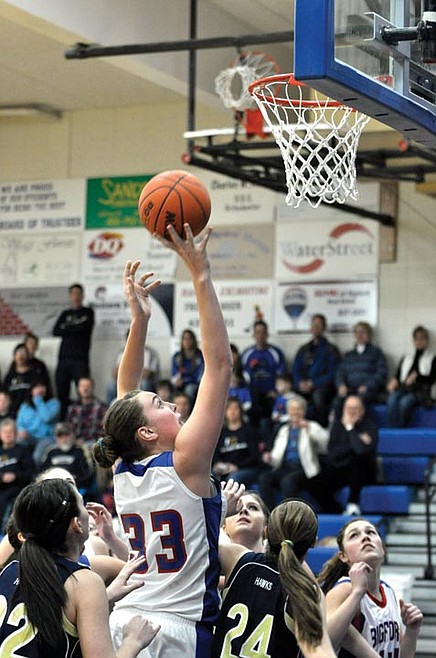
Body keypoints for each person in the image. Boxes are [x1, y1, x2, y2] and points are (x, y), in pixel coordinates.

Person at [93, 223, 232, 658]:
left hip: (122, 618)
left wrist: (140, 321)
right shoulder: (185, 463)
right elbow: (219, 366)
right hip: (174, 630)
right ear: (148, 432)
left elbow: (126, 394)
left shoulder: (122, 466)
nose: (171, 403)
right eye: (160, 403)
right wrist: (200, 274)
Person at [0, 477, 160, 657]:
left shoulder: (9, 570)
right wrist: (133, 641)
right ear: (76, 524)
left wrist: (103, 597)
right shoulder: (84, 582)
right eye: (83, 504)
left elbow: (50, 611)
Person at [213, 498, 337, 658]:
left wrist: (220, 509)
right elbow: (318, 651)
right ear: (314, 543)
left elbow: (200, 536)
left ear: (266, 533)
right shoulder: (307, 592)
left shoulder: (238, 559)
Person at [318, 517, 423, 658]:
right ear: (343, 556)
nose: (365, 537)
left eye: (371, 532)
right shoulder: (344, 590)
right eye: (354, 535)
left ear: (383, 548)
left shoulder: (388, 591)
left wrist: (412, 631)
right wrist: (357, 593)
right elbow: (323, 644)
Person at [258, 395, 330, 511]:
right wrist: (270, 458)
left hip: (304, 469)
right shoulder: (284, 429)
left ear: (304, 411)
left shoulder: (312, 426)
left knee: (288, 481)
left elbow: (325, 444)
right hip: (285, 467)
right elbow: (276, 456)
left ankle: (291, 515)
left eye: (298, 409)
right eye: (292, 409)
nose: (295, 412)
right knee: (264, 478)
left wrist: (309, 428)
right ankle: (268, 514)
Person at [325, 395, 379, 516]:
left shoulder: (370, 427)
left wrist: (350, 429)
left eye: (355, 408)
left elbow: (360, 451)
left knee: (356, 461)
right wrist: (355, 441)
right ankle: (335, 510)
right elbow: (332, 454)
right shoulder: (337, 426)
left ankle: (353, 504)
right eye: (349, 408)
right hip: (340, 469)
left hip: (364, 472)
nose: (351, 412)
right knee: (317, 475)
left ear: (362, 411)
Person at [52, 282, 95, 419]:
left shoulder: (88, 312)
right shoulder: (65, 314)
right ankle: (64, 422)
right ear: (70, 296)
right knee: (62, 393)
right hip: (63, 359)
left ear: (82, 295)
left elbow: (84, 328)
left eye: (78, 293)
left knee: (83, 393)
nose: (76, 296)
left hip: (80, 359)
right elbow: (56, 331)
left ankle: (85, 421)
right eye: (73, 293)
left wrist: (67, 327)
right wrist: (76, 326)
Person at [292, 314, 340, 427]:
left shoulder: (331, 350)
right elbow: (296, 369)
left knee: (318, 397)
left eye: (318, 325)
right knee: (289, 396)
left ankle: (322, 428)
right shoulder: (303, 349)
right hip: (303, 386)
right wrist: (300, 382)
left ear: (324, 328)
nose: (315, 328)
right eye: (313, 325)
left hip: (323, 387)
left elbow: (333, 373)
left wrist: (313, 383)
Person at [333, 322, 387, 420]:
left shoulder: (376, 353)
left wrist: (368, 386)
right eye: (357, 332)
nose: (360, 335)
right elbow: (340, 373)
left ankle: (356, 427)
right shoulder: (348, 355)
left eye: (363, 332)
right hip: (349, 390)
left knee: (358, 401)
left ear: (369, 335)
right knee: (337, 402)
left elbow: (381, 374)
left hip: (368, 390)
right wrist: (341, 385)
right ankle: (341, 427)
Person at [241, 319, 287, 434]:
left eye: (263, 332)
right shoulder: (247, 354)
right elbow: (242, 376)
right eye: (257, 332)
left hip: (271, 394)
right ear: (253, 335)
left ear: (267, 334)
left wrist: (276, 391)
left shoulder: (276, 353)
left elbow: (282, 376)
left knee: (268, 419)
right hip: (253, 396)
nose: (260, 335)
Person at [386, 325, 436, 428]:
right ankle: (391, 430)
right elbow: (398, 375)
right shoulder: (407, 357)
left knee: (405, 402)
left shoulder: (432, 357)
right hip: (404, 387)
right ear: (413, 340)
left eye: (422, 338)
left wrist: (417, 377)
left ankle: (400, 430)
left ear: (427, 340)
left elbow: (432, 379)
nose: (419, 341)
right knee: (392, 399)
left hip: (421, 391)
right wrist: (394, 381)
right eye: (417, 338)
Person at [213, 397, 264, 488]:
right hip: (225, 468)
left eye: (235, 408)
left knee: (233, 478)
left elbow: (254, 456)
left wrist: (237, 467)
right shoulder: (220, 433)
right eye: (229, 408)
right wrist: (218, 465)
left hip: (247, 469)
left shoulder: (249, 430)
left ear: (241, 411)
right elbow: (215, 455)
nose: (232, 411)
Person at [106, 330, 161, 404]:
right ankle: (111, 408)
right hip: (125, 382)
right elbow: (115, 373)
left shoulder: (149, 353)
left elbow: (147, 374)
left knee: (145, 383)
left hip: (143, 382)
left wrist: (126, 372)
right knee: (111, 384)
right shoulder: (121, 353)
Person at [0, 418, 34, 534]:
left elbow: (31, 472)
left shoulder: (23, 451)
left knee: (4, 500)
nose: (8, 435)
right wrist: (2, 477)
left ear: (15, 434)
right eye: (5, 432)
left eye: (11, 432)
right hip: (1, 486)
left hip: (17, 487)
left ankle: (4, 534)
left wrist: (15, 476)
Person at [40, 421, 95, 494]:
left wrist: (70, 484)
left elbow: (88, 475)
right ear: (56, 438)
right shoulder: (50, 452)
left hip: (75, 490)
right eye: (60, 435)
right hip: (52, 491)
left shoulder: (81, 451)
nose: (64, 439)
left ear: (73, 436)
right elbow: (41, 474)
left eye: (66, 435)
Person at [16, 379, 60, 464]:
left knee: (36, 457)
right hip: (30, 436)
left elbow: (46, 418)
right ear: (31, 390)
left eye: (42, 386)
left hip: (47, 437)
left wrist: (38, 400)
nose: (39, 389)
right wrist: (21, 430)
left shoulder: (54, 403)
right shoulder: (25, 406)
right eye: (36, 387)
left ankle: (36, 471)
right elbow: (19, 422)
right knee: (18, 440)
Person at [66, 376, 107, 443]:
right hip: (75, 443)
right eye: (82, 386)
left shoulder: (102, 408)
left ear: (93, 388)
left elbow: (104, 431)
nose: (85, 389)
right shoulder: (72, 408)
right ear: (78, 388)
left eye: (88, 386)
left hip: (94, 443)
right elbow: (68, 429)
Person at [2, 343, 39, 418]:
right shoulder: (9, 376)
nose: (20, 356)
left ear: (28, 356)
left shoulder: (34, 375)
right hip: (11, 413)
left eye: (23, 353)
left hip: (30, 412)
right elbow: (4, 395)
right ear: (14, 356)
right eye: (18, 353)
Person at [171, 327, 205, 401]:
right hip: (180, 383)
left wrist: (185, 380)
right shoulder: (177, 356)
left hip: (194, 383)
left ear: (193, 340)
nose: (187, 341)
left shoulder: (200, 356)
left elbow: (199, 375)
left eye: (190, 339)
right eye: (185, 339)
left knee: (189, 389)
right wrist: (177, 380)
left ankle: (188, 407)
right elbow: (174, 373)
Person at [24, 331, 53, 397]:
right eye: (30, 343)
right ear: (25, 345)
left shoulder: (40, 364)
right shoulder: (18, 363)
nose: (31, 346)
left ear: (37, 347)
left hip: (37, 397)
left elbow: (46, 383)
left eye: (34, 344)